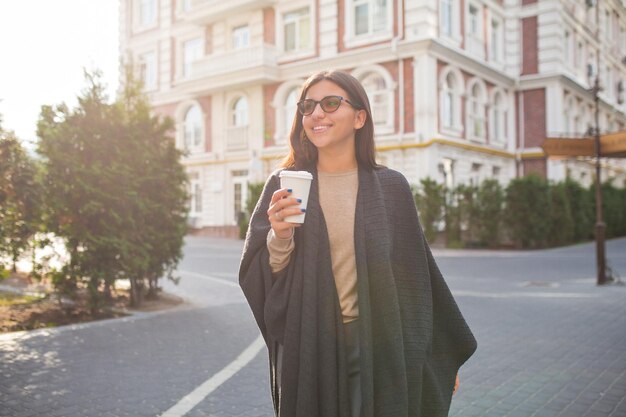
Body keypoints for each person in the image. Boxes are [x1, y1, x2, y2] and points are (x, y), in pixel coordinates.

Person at [239, 70, 477, 417]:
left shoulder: (391, 187)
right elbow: (259, 273)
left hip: (379, 346)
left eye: (331, 103)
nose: (317, 114)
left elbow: (418, 281)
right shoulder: (285, 184)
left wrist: (438, 355)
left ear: (360, 117)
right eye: (308, 106)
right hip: (310, 346)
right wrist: (281, 235)